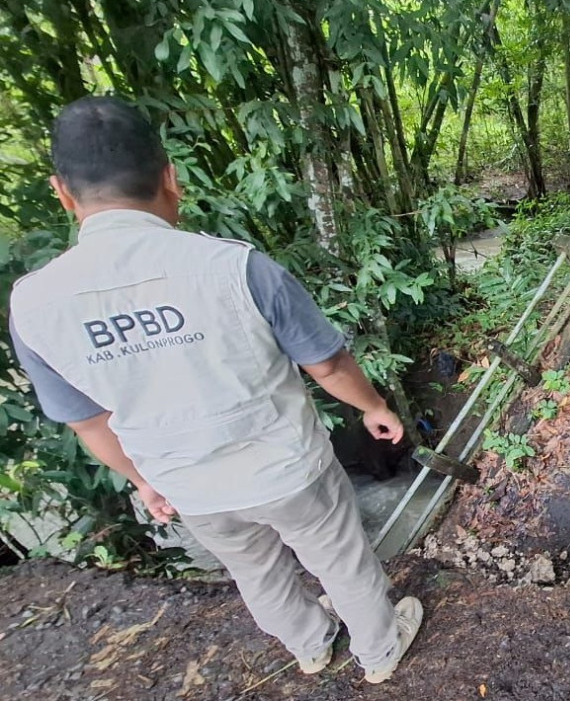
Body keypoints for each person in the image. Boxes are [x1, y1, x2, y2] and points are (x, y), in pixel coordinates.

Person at [8, 96, 424, 685]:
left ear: (62, 193)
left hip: (189, 485)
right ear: (170, 177)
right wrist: (374, 407)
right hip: (285, 466)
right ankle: (380, 651)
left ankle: (311, 646)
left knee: (256, 572)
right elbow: (327, 363)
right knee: (339, 557)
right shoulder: (235, 268)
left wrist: (143, 480)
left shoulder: (33, 305)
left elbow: (88, 421)